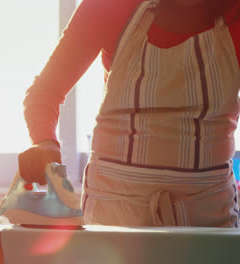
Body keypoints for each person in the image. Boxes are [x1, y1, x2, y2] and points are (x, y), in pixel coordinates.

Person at [18, 0, 240, 227]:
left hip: (210, 223)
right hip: (115, 221)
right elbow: (46, 91)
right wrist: (45, 142)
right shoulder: (110, 6)